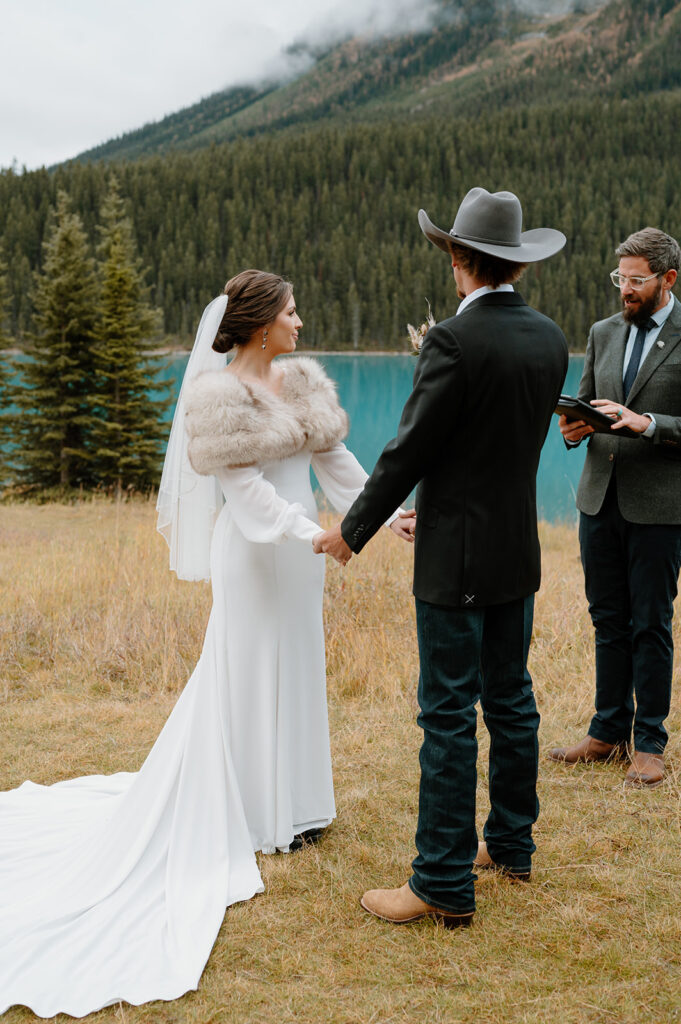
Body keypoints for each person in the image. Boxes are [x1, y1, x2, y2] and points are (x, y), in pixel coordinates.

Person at [0, 269, 412, 1017]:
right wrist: (309, 533)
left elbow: (336, 467)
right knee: (248, 670)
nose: (299, 319)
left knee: (298, 665)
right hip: (257, 553)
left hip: (304, 559)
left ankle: (300, 807)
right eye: (290, 311)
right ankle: (255, 816)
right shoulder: (217, 399)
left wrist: (380, 518)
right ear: (259, 325)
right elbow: (246, 491)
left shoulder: (302, 384)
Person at [315, 188, 568, 927]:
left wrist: (350, 531)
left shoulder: (451, 341)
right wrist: (447, 502)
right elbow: (495, 449)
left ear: (460, 261)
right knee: (511, 698)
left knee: (449, 713)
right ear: (513, 262)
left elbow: (408, 450)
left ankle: (440, 883)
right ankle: (511, 846)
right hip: (514, 547)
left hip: (455, 559)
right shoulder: (550, 337)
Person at [549, 228, 681, 789]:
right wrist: (572, 429)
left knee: (650, 622)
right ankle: (607, 732)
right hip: (598, 498)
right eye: (619, 279)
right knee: (607, 619)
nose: (624, 289)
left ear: (667, 279)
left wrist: (648, 423)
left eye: (635, 280)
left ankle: (649, 743)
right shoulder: (602, 332)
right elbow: (581, 405)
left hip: (660, 507)